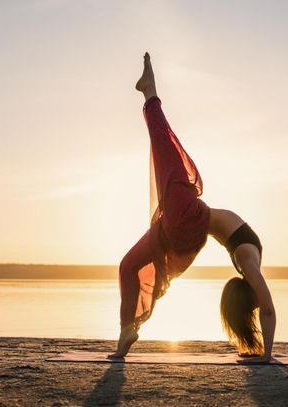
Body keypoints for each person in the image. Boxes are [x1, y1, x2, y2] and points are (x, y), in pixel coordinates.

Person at [108, 52, 276, 364]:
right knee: (128, 265)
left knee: (166, 150)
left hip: (192, 219)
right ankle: (125, 333)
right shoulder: (247, 263)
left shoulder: (247, 260)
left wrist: (267, 356)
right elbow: (263, 304)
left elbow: (268, 307)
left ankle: (150, 90)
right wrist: (264, 353)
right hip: (186, 228)